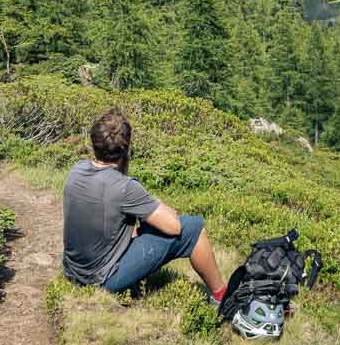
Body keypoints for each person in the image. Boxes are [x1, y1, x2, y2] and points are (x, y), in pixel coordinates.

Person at [62, 108, 226, 301]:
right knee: (193, 229)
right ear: (126, 148)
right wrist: (160, 206)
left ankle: (135, 285)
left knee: (137, 223)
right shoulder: (125, 187)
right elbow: (174, 227)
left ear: (94, 143)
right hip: (102, 279)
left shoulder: (77, 169)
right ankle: (221, 297)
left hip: (73, 271)